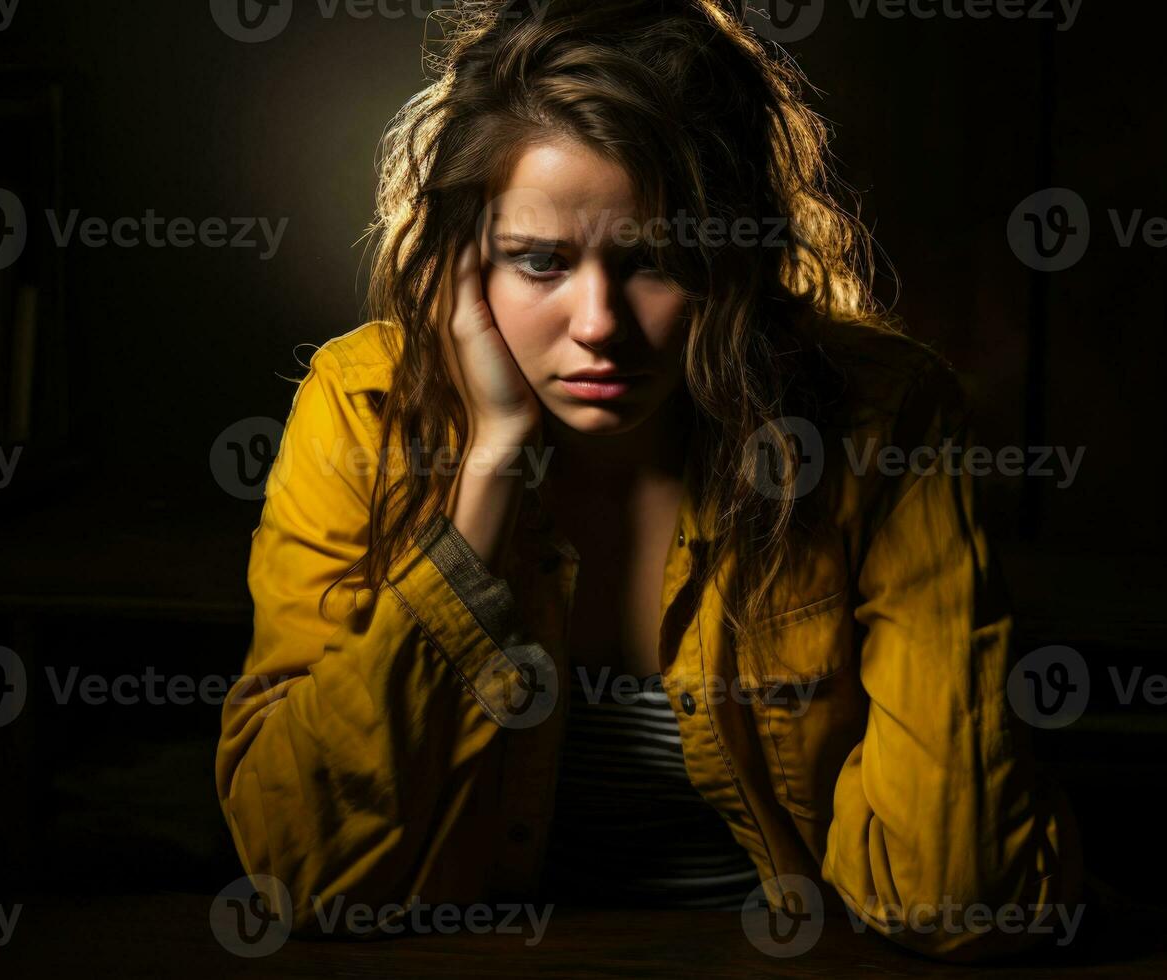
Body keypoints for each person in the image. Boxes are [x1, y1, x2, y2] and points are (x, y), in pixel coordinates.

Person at [215, 0, 1080, 961]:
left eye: (657, 261)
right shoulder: (362, 410)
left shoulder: (881, 415)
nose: (599, 324)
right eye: (539, 262)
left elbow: (963, 900)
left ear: (736, 259)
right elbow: (296, 872)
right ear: (459, 262)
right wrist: (487, 481)